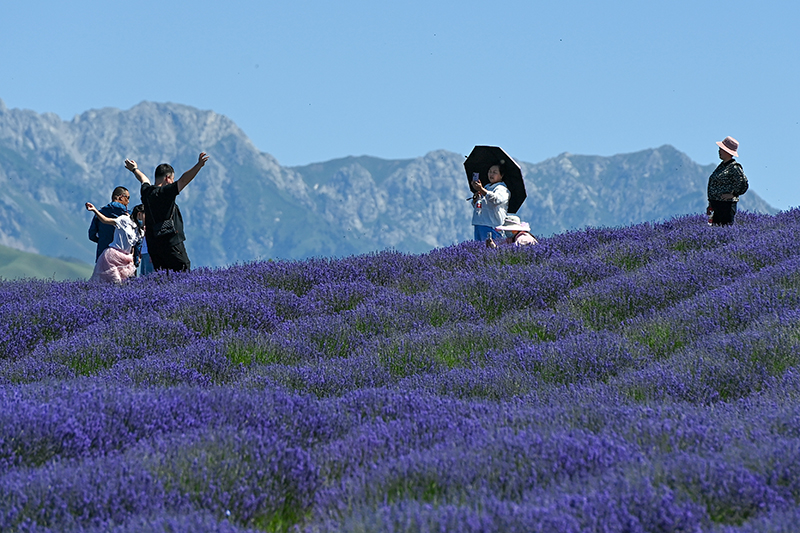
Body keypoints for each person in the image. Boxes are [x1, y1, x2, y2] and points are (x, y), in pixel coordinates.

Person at [124, 152, 209, 272]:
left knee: (163, 277)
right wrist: (199, 165)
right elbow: (184, 180)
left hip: (154, 245)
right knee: (183, 272)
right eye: (172, 179)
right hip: (171, 243)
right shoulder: (166, 192)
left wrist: (134, 169)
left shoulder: (146, 192)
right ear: (167, 178)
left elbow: (143, 179)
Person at [84, 201, 144, 283]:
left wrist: (134, 259)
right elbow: (105, 220)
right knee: (116, 283)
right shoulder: (124, 220)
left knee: (123, 285)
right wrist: (94, 210)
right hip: (112, 257)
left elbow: (132, 246)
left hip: (125, 259)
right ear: (140, 214)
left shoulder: (140, 230)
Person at [707, 136, 748, 226]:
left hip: (726, 206)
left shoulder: (734, 167)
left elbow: (743, 184)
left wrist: (733, 194)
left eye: (721, 149)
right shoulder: (722, 166)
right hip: (716, 205)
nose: (719, 151)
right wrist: (710, 204)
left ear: (727, 151)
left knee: (725, 229)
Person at [88, 186, 130, 261]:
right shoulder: (127, 216)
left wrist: (102, 240)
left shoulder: (100, 213)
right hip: (122, 256)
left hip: (103, 254)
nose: (128, 201)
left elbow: (92, 235)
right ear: (121, 197)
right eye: (128, 198)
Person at [471, 163, 510, 241]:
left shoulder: (502, 189)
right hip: (479, 223)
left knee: (491, 250)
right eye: (489, 172)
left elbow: (496, 199)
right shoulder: (486, 187)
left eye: (494, 172)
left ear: (501, 175)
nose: (491, 174)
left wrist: (481, 190)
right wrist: (475, 199)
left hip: (492, 225)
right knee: (479, 250)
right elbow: (480, 204)